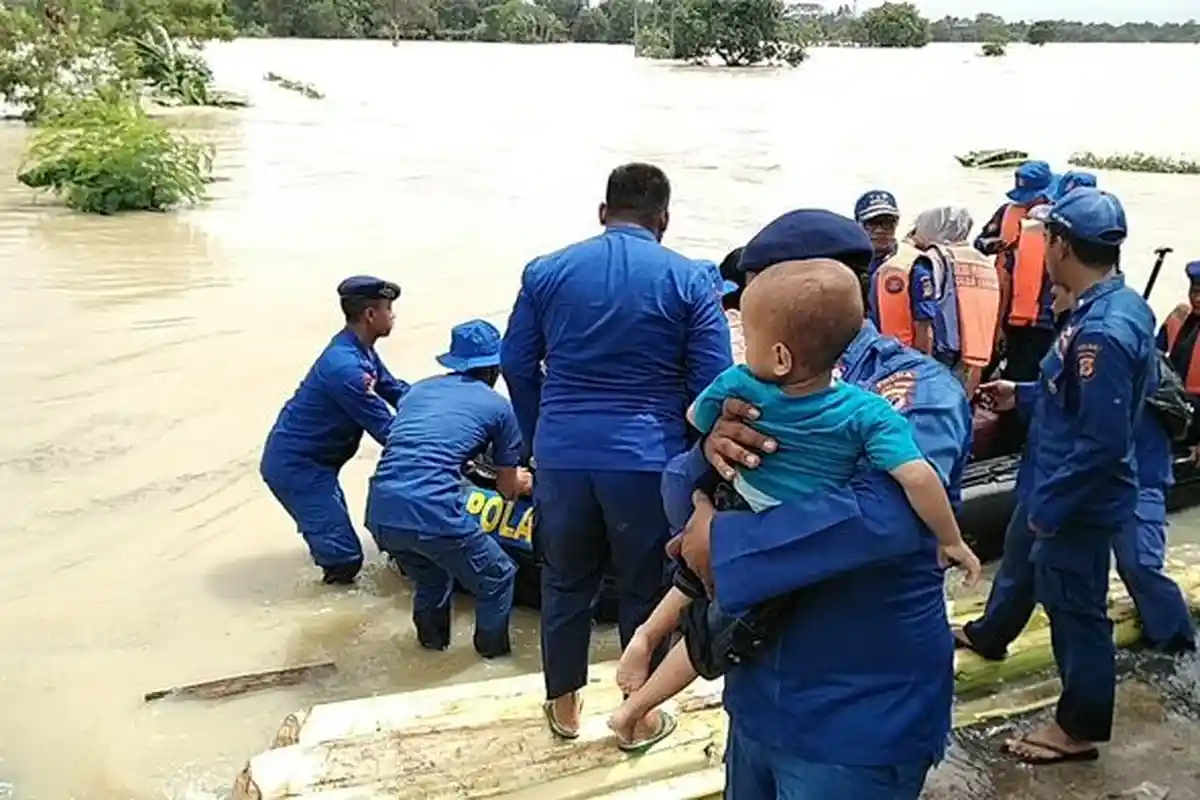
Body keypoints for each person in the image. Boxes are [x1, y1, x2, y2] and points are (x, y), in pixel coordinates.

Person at [644, 209, 973, 799]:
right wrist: (711, 450)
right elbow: (682, 491)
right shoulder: (759, 386)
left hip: (857, 704)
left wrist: (720, 541)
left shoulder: (909, 389)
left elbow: (889, 516)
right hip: (760, 687)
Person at [500, 163, 733, 741]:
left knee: (564, 583)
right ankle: (638, 714)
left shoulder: (546, 271)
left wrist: (538, 436)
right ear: (664, 221)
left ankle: (564, 709)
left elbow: (515, 364)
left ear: (603, 213)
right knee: (644, 588)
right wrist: (689, 458)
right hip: (646, 459)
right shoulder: (689, 280)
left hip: (562, 454)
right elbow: (712, 383)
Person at [957, 188, 1156, 765]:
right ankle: (993, 633)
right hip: (1049, 473)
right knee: (1020, 555)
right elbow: (1073, 397)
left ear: (1062, 245)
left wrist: (1053, 509)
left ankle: (1078, 727)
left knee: (1076, 608)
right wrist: (1019, 396)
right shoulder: (1106, 307)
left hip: (1075, 494)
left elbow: (1103, 442)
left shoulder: (1101, 334)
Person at [365, 319, 531, 658]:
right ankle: (491, 660)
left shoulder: (419, 391)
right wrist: (527, 481)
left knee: (432, 578)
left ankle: (430, 651)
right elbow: (507, 488)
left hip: (380, 509)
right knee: (498, 576)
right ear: (495, 366)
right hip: (431, 510)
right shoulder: (499, 407)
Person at [259, 276, 409, 585]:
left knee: (338, 539)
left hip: (321, 462)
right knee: (346, 560)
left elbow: (396, 391)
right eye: (388, 309)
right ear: (370, 315)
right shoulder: (346, 369)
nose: (393, 315)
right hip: (299, 466)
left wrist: (444, 404)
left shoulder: (360, 350)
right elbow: (389, 432)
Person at [973, 161, 1059, 383]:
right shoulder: (1006, 213)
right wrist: (991, 245)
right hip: (1006, 307)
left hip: (1045, 314)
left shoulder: (1060, 216)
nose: (1026, 201)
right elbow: (979, 242)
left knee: (1035, 373)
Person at [909, 206, 1001, 394]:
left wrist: (919, 365)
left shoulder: (930, 261)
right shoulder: (983, 261)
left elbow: (924, 319)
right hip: (975, 356)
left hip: (939, 354)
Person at [854, 190, 938, 353]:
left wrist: (921, 365)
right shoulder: (848, 265)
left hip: (900, 357)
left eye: (888, 223)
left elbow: (923, 325)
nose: (880, 230)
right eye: (872, 223)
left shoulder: (913, 266)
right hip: (858, 355)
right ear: (858, 224)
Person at [1158, 260, 1200, 398]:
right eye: (1194, 291)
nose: (1197, 298)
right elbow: (1154, 352)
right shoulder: (1178, 317)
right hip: (1173, 399)